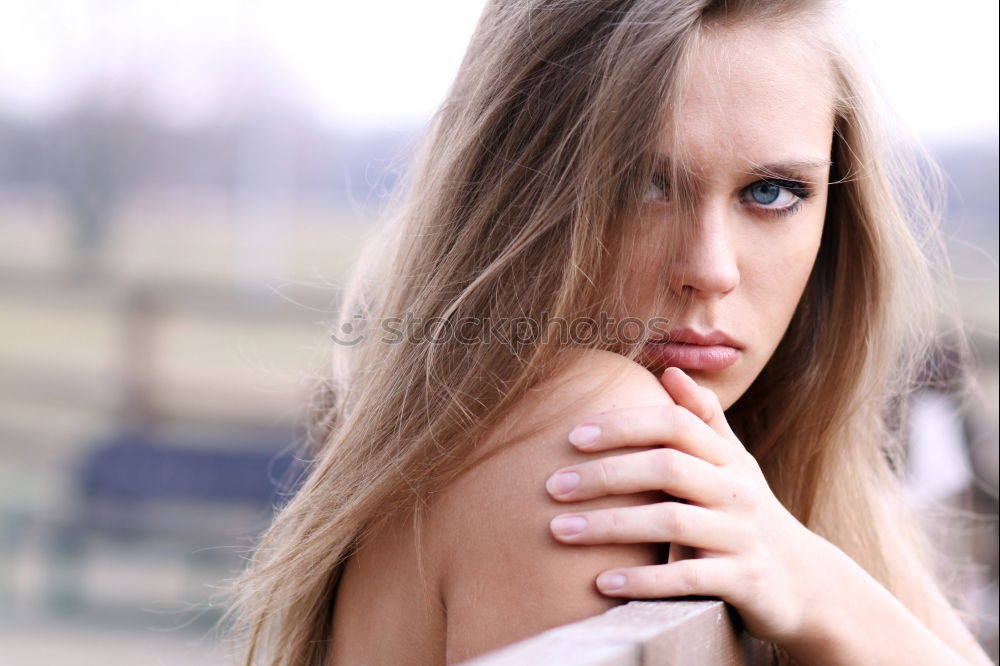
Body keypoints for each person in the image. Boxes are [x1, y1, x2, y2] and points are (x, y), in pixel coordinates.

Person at [226, 1, 994, 664]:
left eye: (771, 191)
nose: (710, 269)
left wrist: (823, 587)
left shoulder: (781, 478)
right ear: (519, 194)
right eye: (641, 184)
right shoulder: (599, 435)